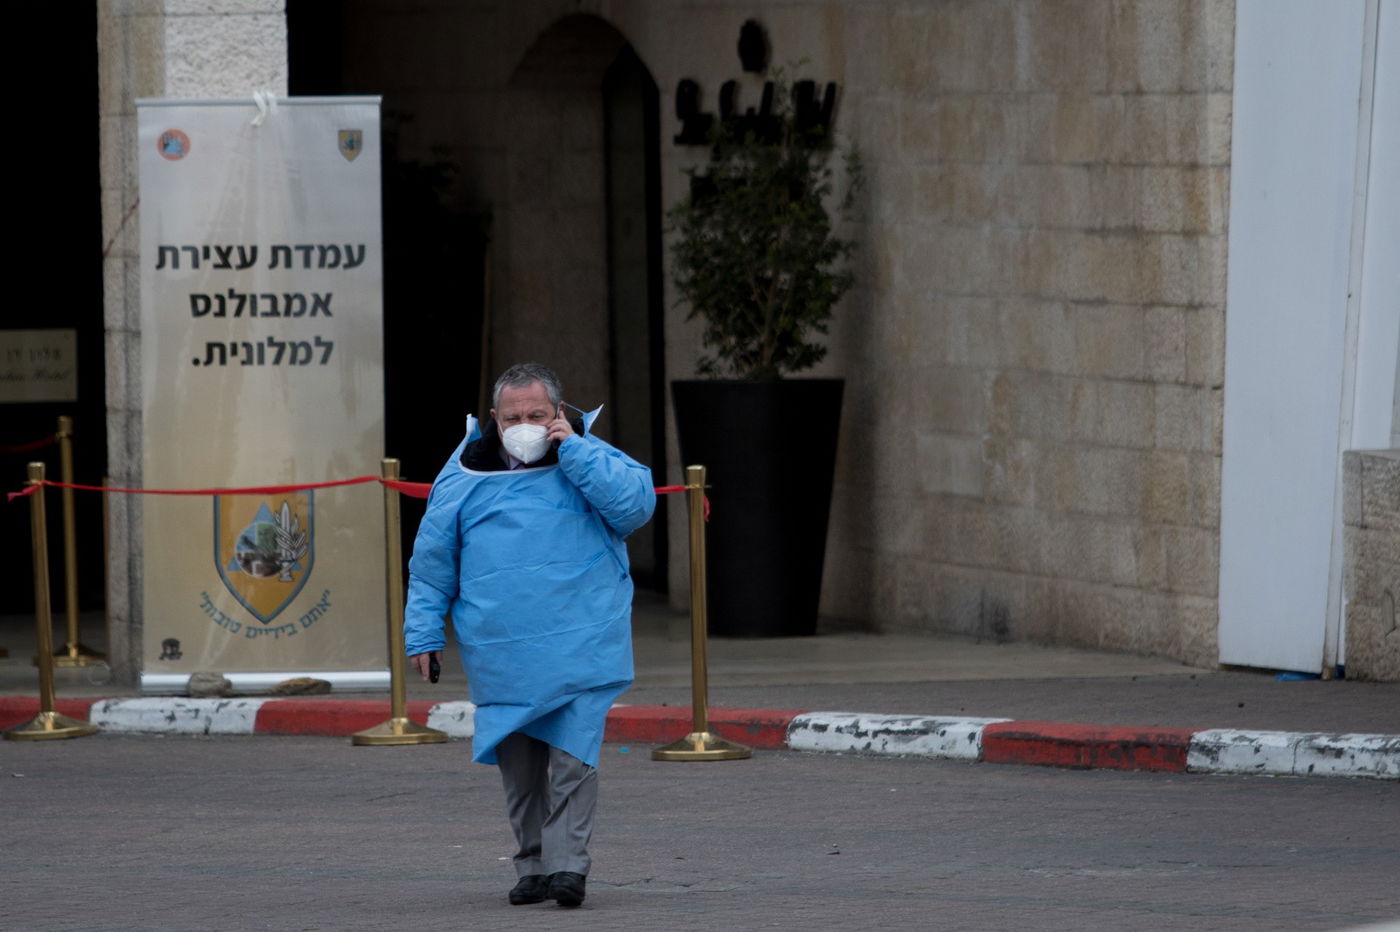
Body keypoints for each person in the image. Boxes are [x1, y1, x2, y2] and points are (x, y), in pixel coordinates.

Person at [403, 362, 655, 909]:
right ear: (494, 419)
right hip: (502, 649)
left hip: (581, 639)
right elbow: (431, 563)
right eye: (514, 416)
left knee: (572, 757)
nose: (525, 424)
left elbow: (634, 508)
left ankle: (569, 867)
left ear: (559, 413)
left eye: (537, 414)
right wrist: (423, 632)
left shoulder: (592, 456)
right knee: (519, 767)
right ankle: (533, 864)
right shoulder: (463, 475)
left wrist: (577, 452)